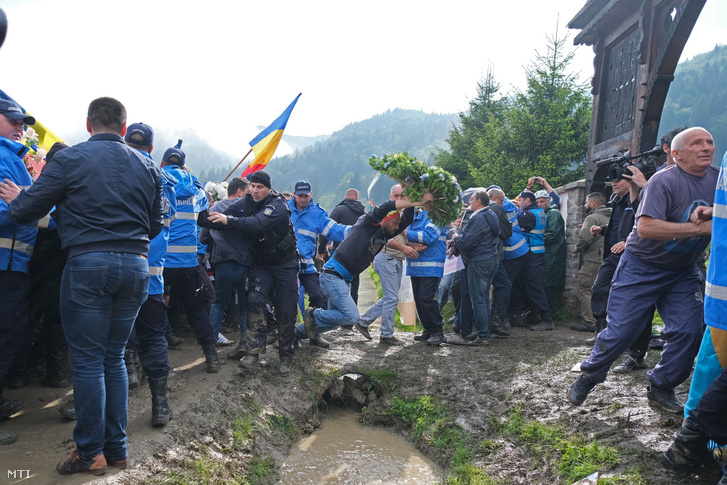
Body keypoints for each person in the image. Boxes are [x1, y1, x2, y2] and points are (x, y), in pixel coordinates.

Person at [0, 97, 163, 475]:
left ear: (89, 125)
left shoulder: (69, 160)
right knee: (114, 357)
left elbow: (27, 210)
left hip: (88, 265)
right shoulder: (149, 166)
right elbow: (156, 224)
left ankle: (90, 454)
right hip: (137, 266)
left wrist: (19, 198)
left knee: (88, 362)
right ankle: (118, 450)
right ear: (124, 128)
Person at [568, 127, 718, 413]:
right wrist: (701, 227)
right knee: (623, 331)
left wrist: (715, 213)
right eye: (696, 143)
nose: (706, 147)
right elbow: (647, 228)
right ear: (676, 154)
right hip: (642, 267)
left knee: (689, 331)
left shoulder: (719, 179)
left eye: (709, 142)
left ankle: (661, 385)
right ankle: (590, 374)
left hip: (682, 271)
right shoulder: (664, 180)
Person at [298, 192, 434, 343]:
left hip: (341, 279)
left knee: (336, 321)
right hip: (332, 276)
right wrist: (416, 202)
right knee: (351, 316)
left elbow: (406, 220)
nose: (397, 228)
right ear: (385, 219)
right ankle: (313, 314)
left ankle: (294, 334)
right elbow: (387, 206)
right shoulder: (368, 222)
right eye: (395, 224)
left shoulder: (384, 234)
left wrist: (412, 194)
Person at [202, 170, 299, 376]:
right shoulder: (245, 202)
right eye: (252, 186)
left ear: (268, 188)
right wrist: (203, 217)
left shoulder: (278, 205)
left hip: (285, 266)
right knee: (253, 300)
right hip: (263, 264)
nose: (255, 191)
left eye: (260, 187)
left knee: (286, 310)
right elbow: (225, 215)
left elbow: (258, 224)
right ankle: (254, 352)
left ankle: (286, 356)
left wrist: (227, 220)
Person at [124, 122, 176, 426]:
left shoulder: (116, 177)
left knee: (107, 341)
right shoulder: (164, 183)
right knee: (155, 338)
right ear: (152, 150)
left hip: (119, 269)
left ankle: (88, 408)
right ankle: (159, 406)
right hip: (153, 278)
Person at [161, 143, 220, 373]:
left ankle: (139, 366)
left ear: (163, 163)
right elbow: (203, 221)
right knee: (195, 310)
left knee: (150, 310)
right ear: (183, 165)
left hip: (160, 263)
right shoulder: (197, 188)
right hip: (187, 263)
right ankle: (212, 357)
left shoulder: (157, 180)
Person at [0, 99, 38, 445]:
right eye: (12, 119)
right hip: (3, 264)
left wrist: (24, 200)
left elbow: (33, 205)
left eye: (22, 122)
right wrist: (25, 204)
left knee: (9, 332)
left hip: (15, 263)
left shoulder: (13, 158)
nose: (20, 126)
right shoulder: (2, 158)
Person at [288, 180, 349, 347]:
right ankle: (291, 336)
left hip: (307, 266)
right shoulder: (284, 209)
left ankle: (314, 334)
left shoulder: (317, 213)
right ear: (294, 194)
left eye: (306, 196)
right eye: (299, 196)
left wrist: (354, 230)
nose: (302, 199)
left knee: (317, 296)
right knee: (291, 300)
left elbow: (335, 230)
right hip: (286, 265)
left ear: (311, 195)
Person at [357, 184, 419, 345]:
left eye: (402, 195)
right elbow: (386, 238)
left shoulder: (401, 214)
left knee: (390, 297)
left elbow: (399, 236)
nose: (399, 198)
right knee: (392, 297)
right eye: (396, 196)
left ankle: (363, 322)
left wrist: (411, 246)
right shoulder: (387, 214)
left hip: (395, 258)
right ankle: (386, 334)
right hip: (387, 257)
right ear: (390, 196)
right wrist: (405, 248)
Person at [201, 177, 252, 359]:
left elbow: (203, 237)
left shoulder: (213, 209)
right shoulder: (249, 206)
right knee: (245, 307)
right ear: (240, 192)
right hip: (246, 265)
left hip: (222, 264)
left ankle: (210, 346)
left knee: (219, 303)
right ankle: (245, 342)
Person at [450, 190, 501, 345]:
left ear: (479, 201)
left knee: (478, 300)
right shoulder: (491, 214)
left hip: (479, 261)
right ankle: (482, 332)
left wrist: (455, 239)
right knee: (484, 299)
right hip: (491, 260)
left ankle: (483, 336)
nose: (469, 202)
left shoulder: (478, 217)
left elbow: (466, 242)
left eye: (471, 199)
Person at [405, 205, 447, 345]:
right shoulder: (414, 217)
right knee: (419, 299)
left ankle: (437, 331)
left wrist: (405, 233)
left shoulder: (437, 215)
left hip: (431, 265)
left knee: (426, 298)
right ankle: (428, 329)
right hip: (416, 265)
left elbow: (428, 237)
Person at [571, 193, 611, 332]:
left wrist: (577, 248)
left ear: (593, 204)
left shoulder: (592, 217)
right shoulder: (611, 215)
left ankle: (589, 321)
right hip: (608, 258)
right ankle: (603, 320)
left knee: (583, 288)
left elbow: (585, 237)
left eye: (586, 202)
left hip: (593, 258)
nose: (584, 205)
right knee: (603, 291)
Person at [514, 190, 553, 331]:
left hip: (532, 253)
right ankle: (534, 314)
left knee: (533, 285)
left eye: (520, 200)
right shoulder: (539, 212)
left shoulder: (529, 215)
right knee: (527, 284)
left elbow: (513, 221)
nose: (518, 203)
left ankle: (546, 318)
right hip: (536, 252)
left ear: (527, 201)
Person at [323, 187, 366, 305]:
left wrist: (321, 249)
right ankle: (351, 318)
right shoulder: (364, 213)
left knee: (336, 284)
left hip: (339, 254)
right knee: (354, 286)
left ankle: (337, 313)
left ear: (345, 198)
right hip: (356, 255)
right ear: (357, 199)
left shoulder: (339, 210)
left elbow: (327, 229)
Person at [534, 190, 565, 310]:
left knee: (547, 282)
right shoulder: (543, 214)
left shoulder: (553, 213)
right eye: (537, 202)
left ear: (548, 200)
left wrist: (534, 240)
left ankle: (548, 313)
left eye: (542, 201)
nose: (540, 204)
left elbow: (552, 234)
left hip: (552, 253)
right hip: (546, 252)